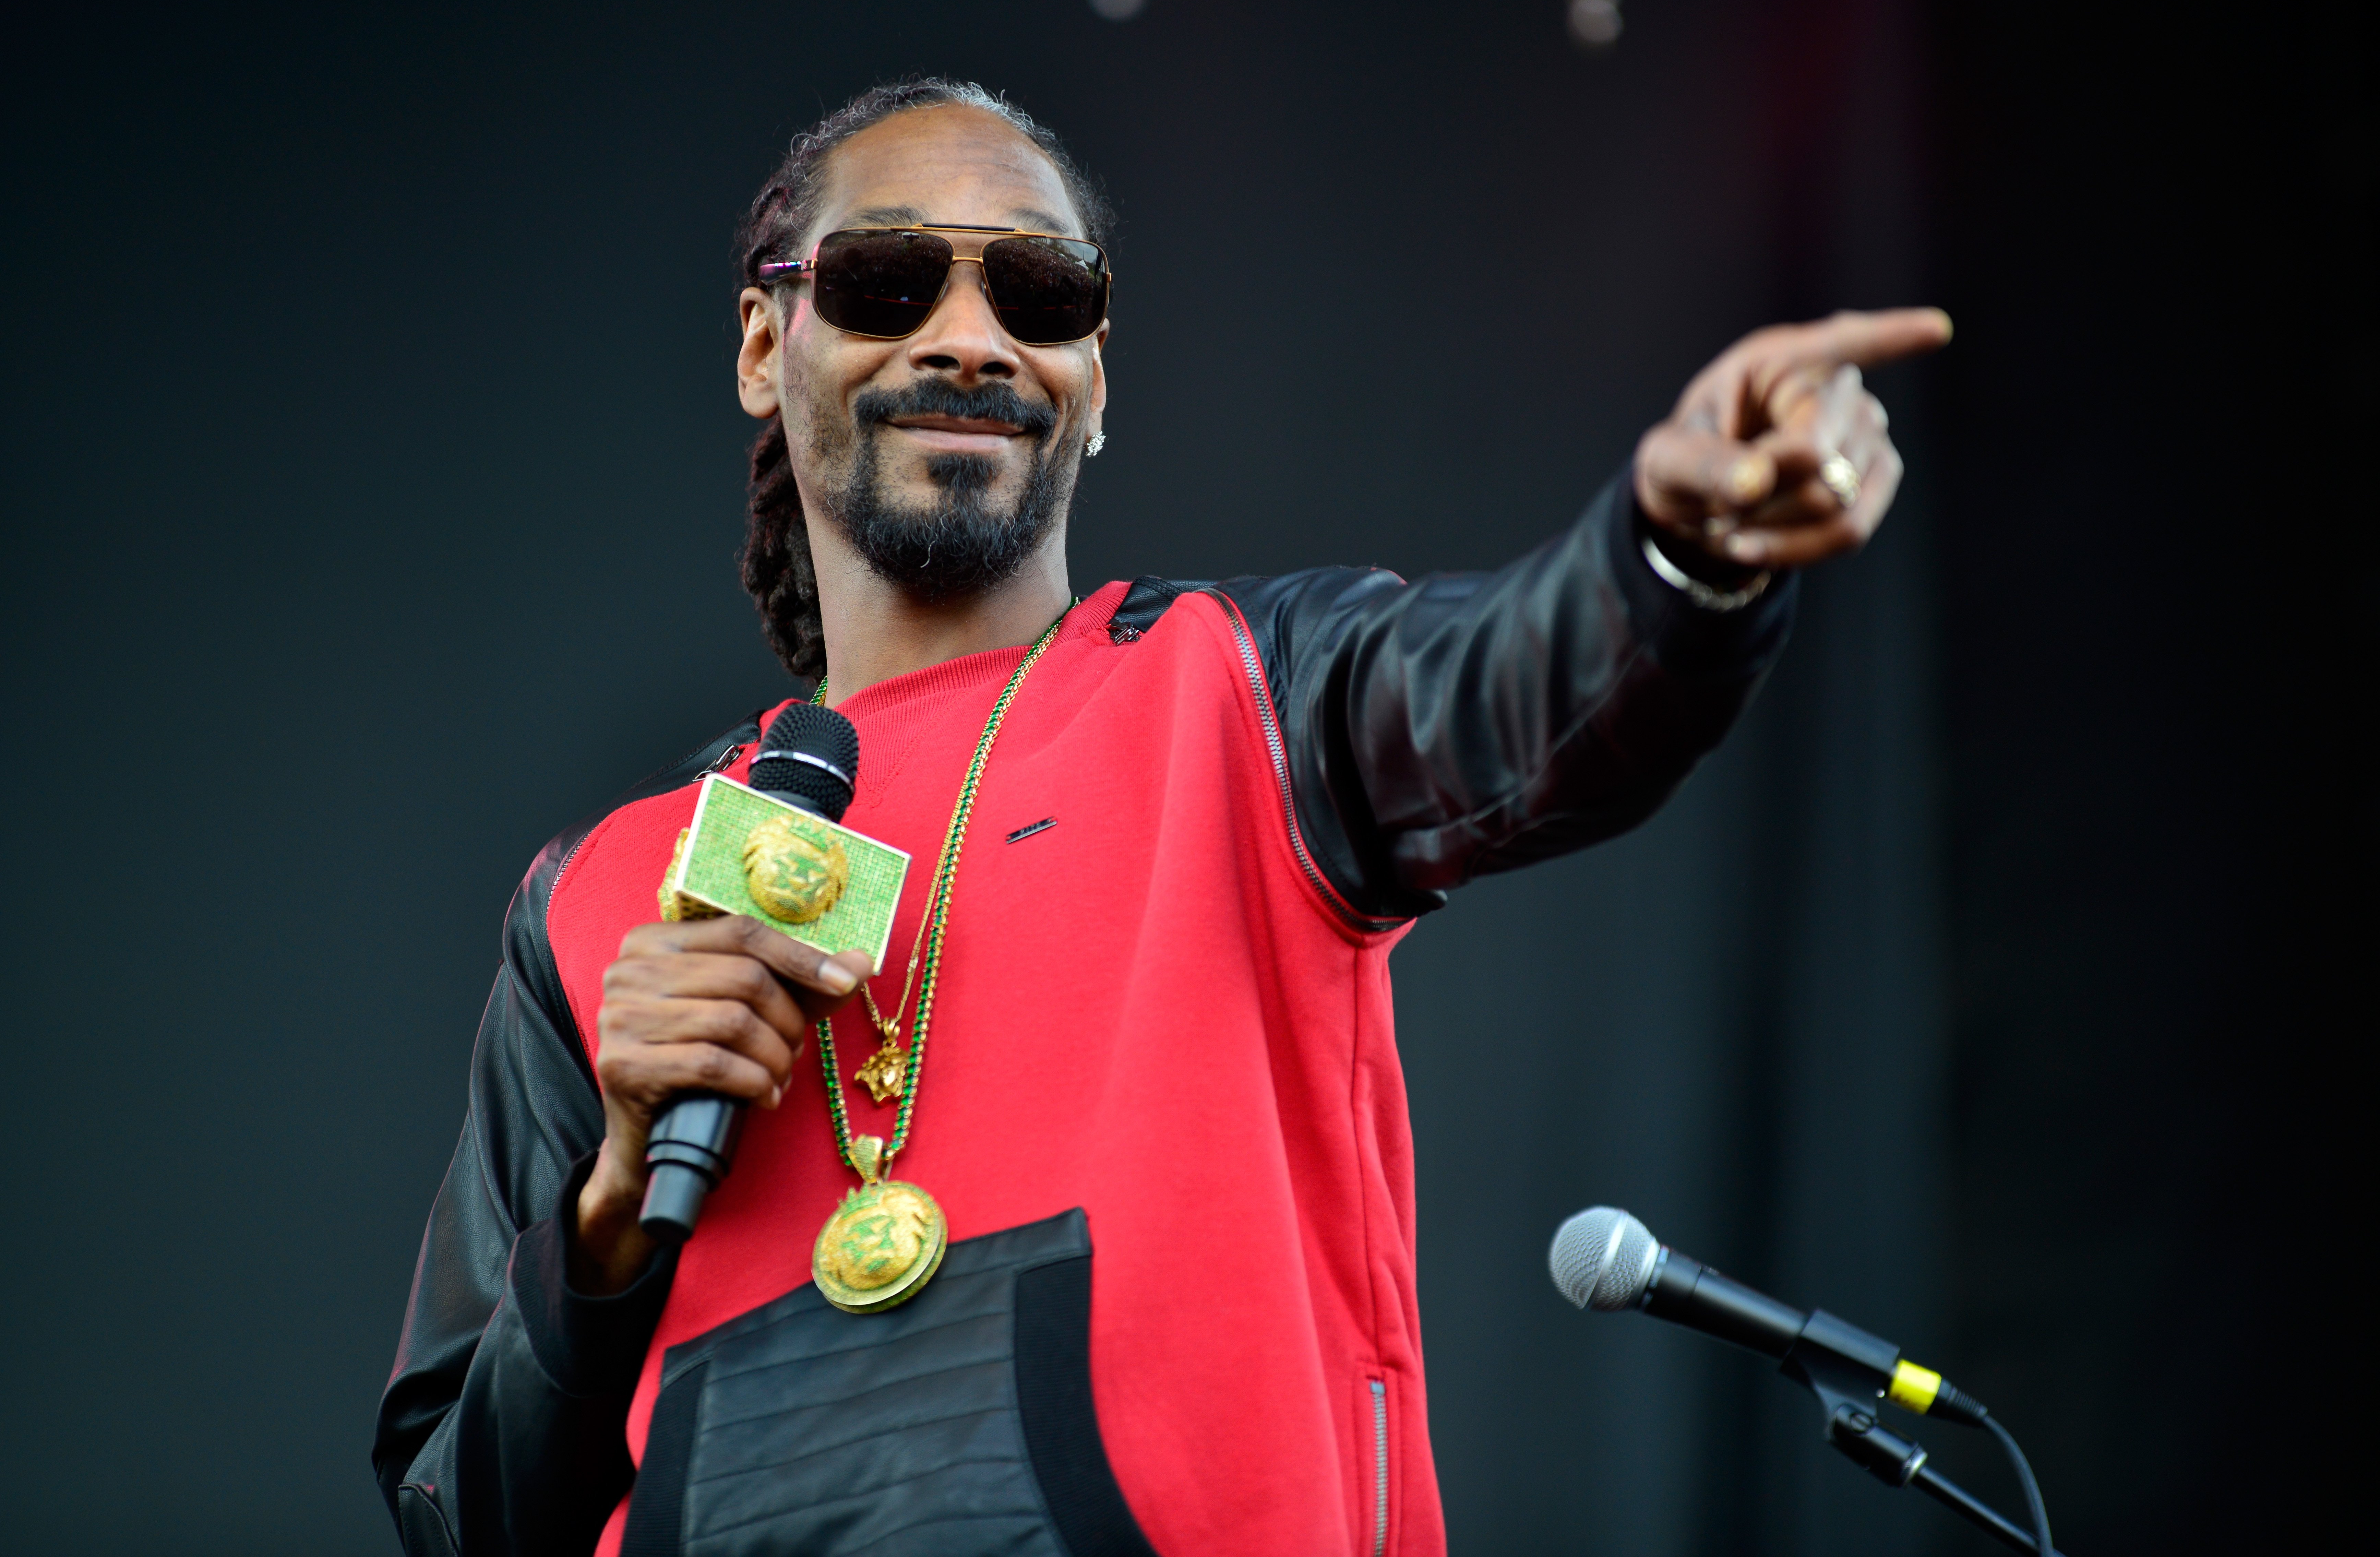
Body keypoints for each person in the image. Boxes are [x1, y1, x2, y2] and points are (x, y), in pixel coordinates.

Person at [373, 77, 1948, 1557]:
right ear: (759, 344)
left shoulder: (1240, 689)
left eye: (1038, 294)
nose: (971, 337)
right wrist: (601, 1226)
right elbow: (464, 1510)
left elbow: (1521, 697)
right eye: (886, 281)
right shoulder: (598, 896)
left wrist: (1675, 558)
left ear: (1096, 377)